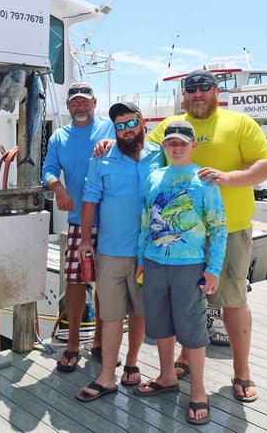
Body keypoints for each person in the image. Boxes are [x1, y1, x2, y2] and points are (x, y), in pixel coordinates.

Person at [145, 69, 267, 403]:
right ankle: (185, 358)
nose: (198, 93)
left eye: (205, 87)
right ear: (184, 95)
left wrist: (229, 178)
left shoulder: (240, 122)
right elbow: (142, 152)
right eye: (191, 88)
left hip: (228, 228)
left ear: (217, 91)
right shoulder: (169, 125)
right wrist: (108, 143)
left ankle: (242, 370)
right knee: (186, 302)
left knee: (232, 300)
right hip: (181, 239)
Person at [134, 119, 227, 425]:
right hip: (155, 262)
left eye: (182, 143)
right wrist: (140, 259)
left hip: (189, 266)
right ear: (164, 146)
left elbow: (219, 227)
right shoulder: (153, 176)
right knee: (160, 325)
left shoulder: (204, 179)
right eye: (170, 142)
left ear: (192, 146)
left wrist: (213, 269)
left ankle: (198, 392)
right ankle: (165, 376)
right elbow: (146, 221)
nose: (176, 147)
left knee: (192, 328)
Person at [75, 102, 165, 401]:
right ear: (114, 129)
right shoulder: (101, 158)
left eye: (131, 123)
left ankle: (132, 362)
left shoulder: (160, 155)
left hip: (150, 253)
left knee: (140, 312)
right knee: (111, 313)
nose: (126, 130)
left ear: (142, 123)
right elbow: (89, 201)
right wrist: (86, 241)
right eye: (120, 125)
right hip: (111, 251)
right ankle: (106, 377)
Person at [42, 82, 114, 373]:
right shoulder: (59, 136)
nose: (80, 106)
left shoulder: (111, 128)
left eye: (85, 101)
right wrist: (57, 188)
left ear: (95, 102)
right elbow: (47, 169)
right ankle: (73, 343)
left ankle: (99, 341)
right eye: (75, 102)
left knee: (106, 285)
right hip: (76, 223)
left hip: (111, 221)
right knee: (75, 282)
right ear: (68, 105)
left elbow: (137, 149)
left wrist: (113, 144)